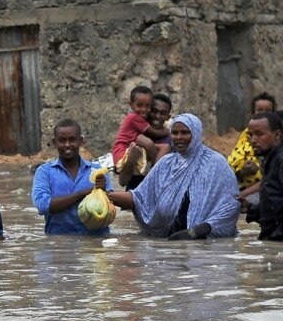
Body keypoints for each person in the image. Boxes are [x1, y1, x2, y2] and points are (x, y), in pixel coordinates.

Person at [108, 113, 240, 239]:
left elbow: (231, 205)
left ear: (196, 133)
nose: (179, 137)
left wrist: (197, 232)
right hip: (168, 243)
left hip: (204, 244)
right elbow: (139, 198)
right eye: (175, 133)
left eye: (185, 132)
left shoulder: (216, 163)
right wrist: (104, 195)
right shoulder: (166, 163)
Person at [32, 119, 112, 235]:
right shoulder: (44, 172)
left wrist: (104, 192)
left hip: (94, 243)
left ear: (81, 141)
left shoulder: (97, 170)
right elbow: (43, 206)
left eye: (72, 140)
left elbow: (110, 208)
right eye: (62, 141)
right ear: (54, 142)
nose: (67, 145)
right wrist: (81, 194)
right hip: (59, 246)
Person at [112, 86, 171, 189]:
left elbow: (164, 176)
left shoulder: (171, 141)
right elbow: (123, 181)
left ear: (168, 117)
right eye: (153, 110)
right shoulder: (138, 131)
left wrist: (149, 146)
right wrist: (131, 160)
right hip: (132, 198)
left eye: (162, 113)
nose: (157, 116)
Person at [240, 112, 283, 240]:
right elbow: (275, 206)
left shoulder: (280, 161)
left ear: (277, 135)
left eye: (259, 134)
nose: (253, 140)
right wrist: (250, 209)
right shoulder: (269, 160)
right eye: (250, 135)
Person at [227, 92, 276, 204]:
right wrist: (242, 172)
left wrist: (242, 195)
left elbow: (271, 179)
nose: (263, 115)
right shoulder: (245, 139)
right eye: (259, 111)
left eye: (268, 111)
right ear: (252, 113)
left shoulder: (276, 142)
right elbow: (233, 169)